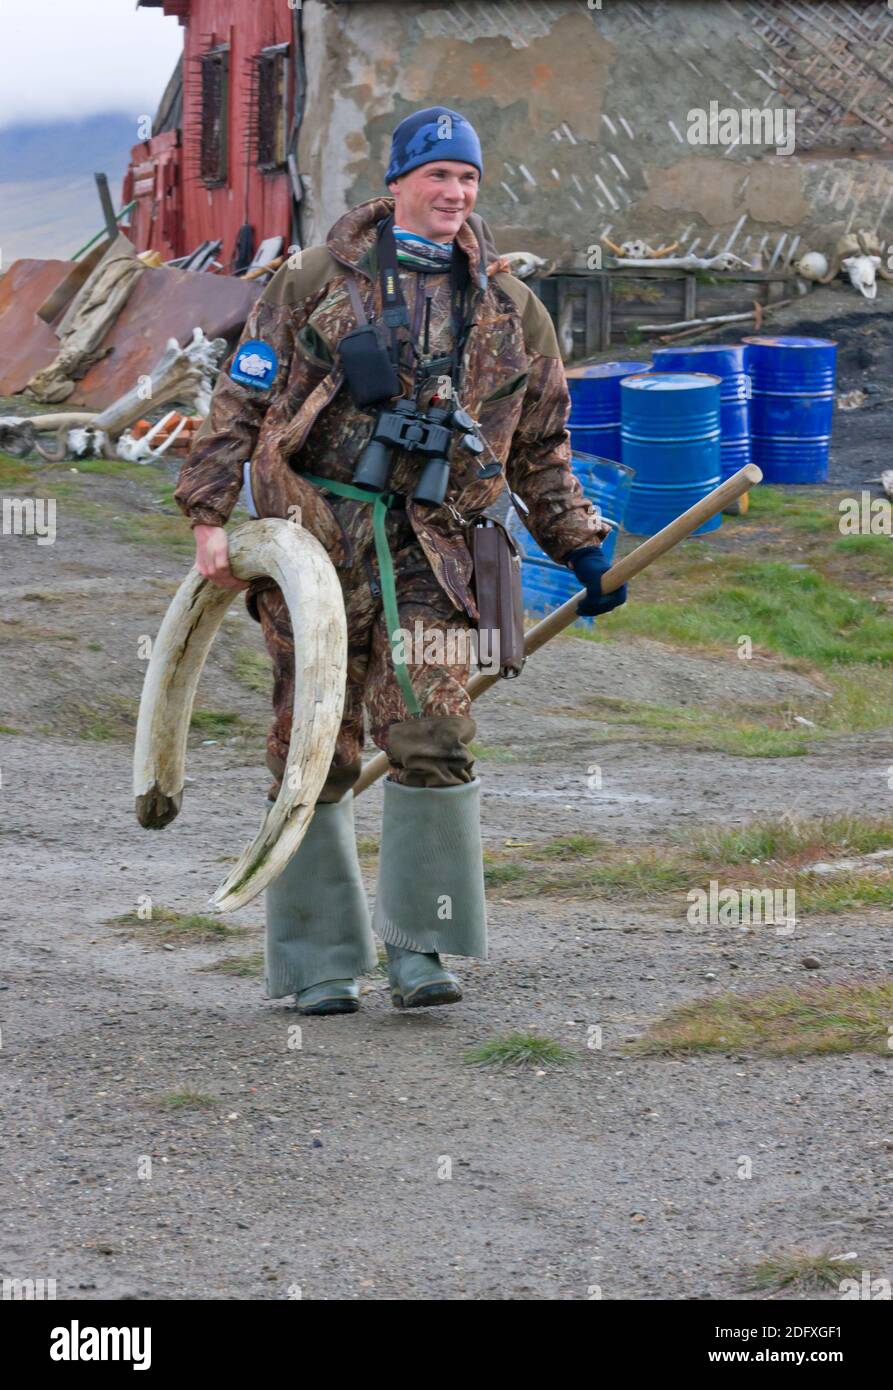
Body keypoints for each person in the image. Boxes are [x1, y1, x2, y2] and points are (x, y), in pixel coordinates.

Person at [173, 105, 626, 1016]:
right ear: (397, 185)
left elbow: (540, 447)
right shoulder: (310, 280)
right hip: (317, 541)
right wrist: (209, 516)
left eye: (466, 179)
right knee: (315, 746)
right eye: (436, 177)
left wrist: (579, 546)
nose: (453, 193)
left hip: (438, 551)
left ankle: (423, 950)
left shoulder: (510, 308)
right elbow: (240, 396)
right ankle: (319, 964)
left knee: (433, 737)